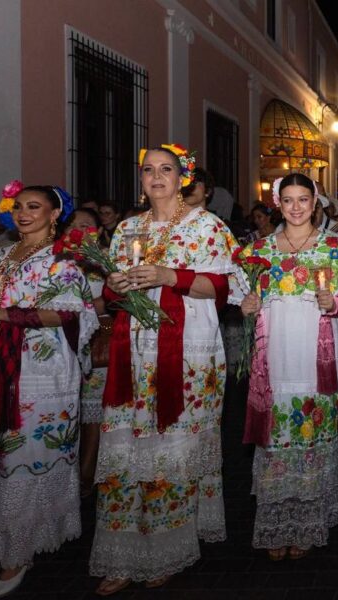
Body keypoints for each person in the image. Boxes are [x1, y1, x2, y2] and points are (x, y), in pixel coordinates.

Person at [90, 145, 240, 594]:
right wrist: (115, 284)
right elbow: (112, 289)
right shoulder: (126, 229)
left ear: (183, 178)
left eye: (166, 169)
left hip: (189, 353)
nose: (156, 177)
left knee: (171, 448)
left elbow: (224, 285)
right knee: (125, 447)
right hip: (132, 350)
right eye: (148, 170)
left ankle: (166, 548)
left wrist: (166, 275)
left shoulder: (206, 225)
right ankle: (120, 553)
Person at [0, 182, 97, 597]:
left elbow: (67, 314)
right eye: (18, 206)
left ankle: (19, 551)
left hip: (40, 371)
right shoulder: (0, 255)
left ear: (55, 214)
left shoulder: (65, 260)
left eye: (34, 207)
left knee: (28, 450)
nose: (23, 213)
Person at [238, 173, 338, 560]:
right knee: (275, 440)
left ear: (315, 201)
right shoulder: (259, 251)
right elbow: (246, 299)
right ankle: (277, 525)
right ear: (278, 203)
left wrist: (333, 304)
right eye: (287, 200)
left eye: (302, 199)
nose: (295, 207)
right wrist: (247, 307)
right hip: (275, 356)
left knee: (312, 435)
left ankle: (307, 520)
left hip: (316, 356)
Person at [62, 208, 107, 497]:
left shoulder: (105, 260)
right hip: (62, 342)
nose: (80, 231)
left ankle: (87, 473)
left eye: (88, 226)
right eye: (75, 226)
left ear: (100, 231)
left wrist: (85, 309)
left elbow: (113, 299)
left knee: (92, 415)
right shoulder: (57, 260)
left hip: (95, 341)